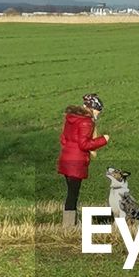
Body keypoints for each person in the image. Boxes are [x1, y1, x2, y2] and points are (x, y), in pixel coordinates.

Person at [57, 92, 109, 228]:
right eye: (98, 110)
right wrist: (103, 140)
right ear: (92, 108)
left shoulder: (71, 118)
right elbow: (84, 144)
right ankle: (68, 226)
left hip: (66, 160)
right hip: (76, 162)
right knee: (73, 194)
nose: (99, 113)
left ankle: (71, 222)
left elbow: (63, 139)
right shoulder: (87, 122)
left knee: (71, 193)